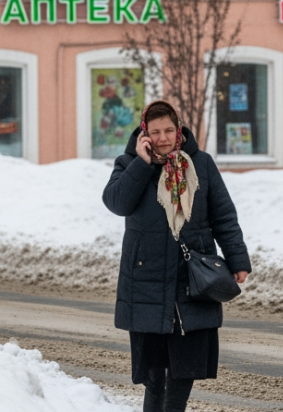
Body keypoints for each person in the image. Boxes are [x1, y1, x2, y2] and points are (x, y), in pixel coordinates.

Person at [103, 100, 251, 412]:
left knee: (184, 371)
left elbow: (223, 215)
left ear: (178, 129)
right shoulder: (129, 162)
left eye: (169, 129)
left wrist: (237, 259)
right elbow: (116, 203)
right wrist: (141, 165)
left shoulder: (202, 163)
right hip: (147, 281)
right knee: (155, 376)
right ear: (145, 133)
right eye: (155, 131)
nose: (163, 137)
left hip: (192, 280)